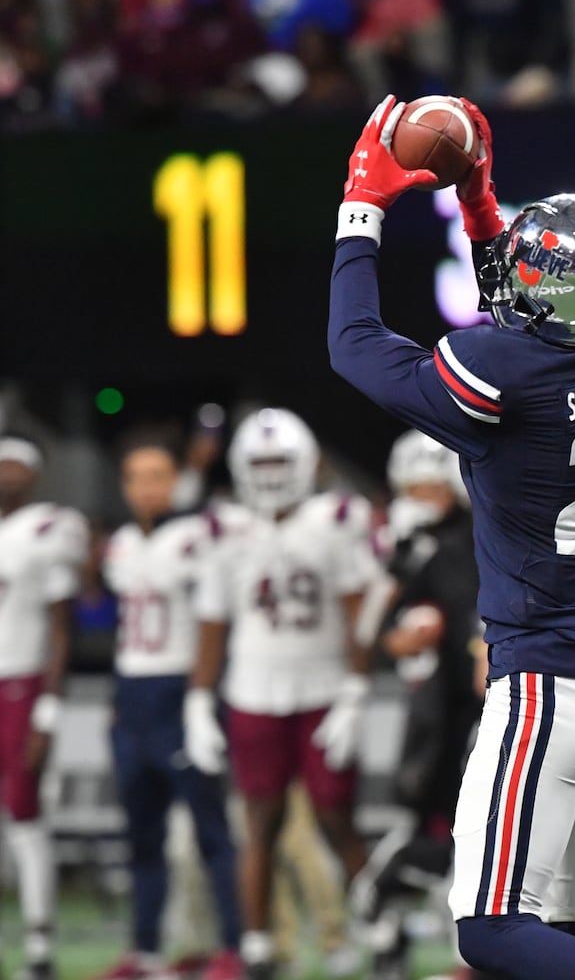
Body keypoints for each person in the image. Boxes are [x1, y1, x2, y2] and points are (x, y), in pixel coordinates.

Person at [327, 96, 575, 980]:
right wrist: (480, 203)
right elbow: (532, 310)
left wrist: (361, 205)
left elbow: (355, 346)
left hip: (549, 688)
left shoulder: (500, 377)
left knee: (488, 931)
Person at [185, 409, 374, 980]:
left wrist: (355, 692)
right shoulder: (223, 529)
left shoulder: (337, 518)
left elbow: (357, 613)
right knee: (259, 822)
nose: (269, 474)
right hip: (253, 690)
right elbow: (212, 624)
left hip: (321, 690)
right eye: (259, 463)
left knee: (335, 819)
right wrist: (198, 701)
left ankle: (376, 931)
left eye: (279, 462)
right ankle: (259, 943)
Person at [95, 434, 243, 980]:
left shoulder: (195, 535)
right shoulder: (121, 544)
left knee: (211, 833)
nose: (148, 488)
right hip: (134, 696)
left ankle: (235, 946)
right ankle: (147, 950)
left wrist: (202, 697)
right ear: (125, 485)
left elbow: (212, 621)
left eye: (159, 475)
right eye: (138, 477)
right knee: (141, 835)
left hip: (181, 692)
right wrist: (117, 696)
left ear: (175, 479)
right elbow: (124, 629)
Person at [352, 429, 483, 980]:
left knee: (478, 840)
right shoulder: (408, 549)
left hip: (481, 710)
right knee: (431, 829)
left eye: (431, 487)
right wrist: (393, 583)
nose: (423, 498)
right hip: (434, 716)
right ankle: (389, 936)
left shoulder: (479, 539)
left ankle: (467, 957)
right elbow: (371, 633)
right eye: (414, 488)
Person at [0, 436, 87, 980]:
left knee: (27, 818)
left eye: (16, 463)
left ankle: (38, 945)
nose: (7, 472)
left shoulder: (49, 529)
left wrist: (49, 709)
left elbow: (62, 628)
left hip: (20, 683)